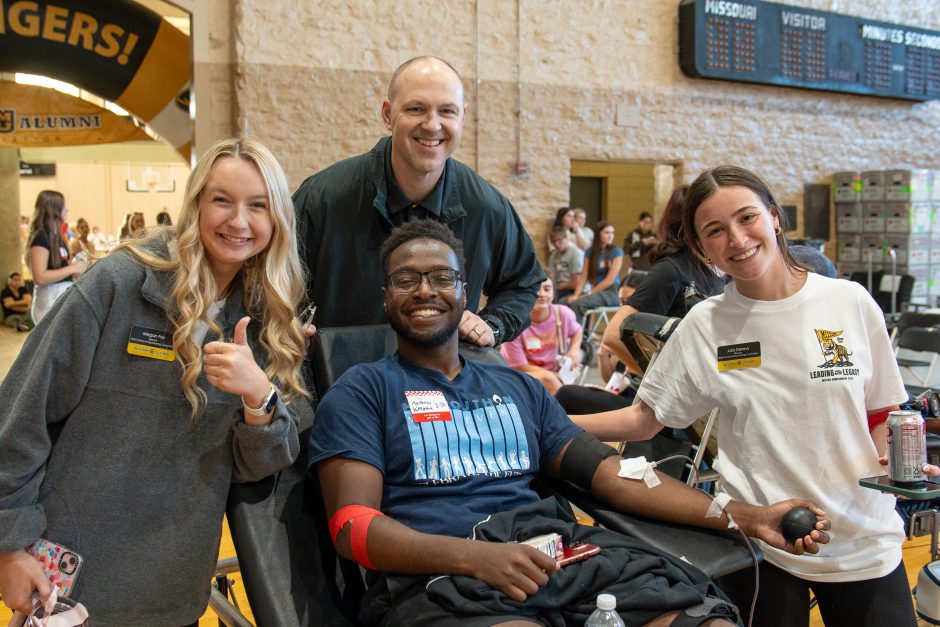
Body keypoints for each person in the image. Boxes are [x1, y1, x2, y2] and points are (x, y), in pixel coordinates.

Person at [309, 218, 829, 627]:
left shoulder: (518, 389)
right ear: (386, 296)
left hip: (561, 557)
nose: (426, 290)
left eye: (442, 277)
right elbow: (352, 528)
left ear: (465, 292)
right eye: (406, 280)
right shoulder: (362, 391)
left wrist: (750, 516)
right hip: (443, 580)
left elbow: (611, 475)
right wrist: (474, 559)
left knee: (707, 619)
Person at [573, 165, 915, 627]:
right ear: (700, 246)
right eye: (715, 230)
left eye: (747, 218)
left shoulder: (849, 301)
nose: (735, 239)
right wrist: (545, 423)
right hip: (760, 545)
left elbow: (882, 411)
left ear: (774, 217)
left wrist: (894, 462)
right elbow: (643, 420)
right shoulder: (704, 325)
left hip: (862, 539)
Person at [0, 138, 309, 626]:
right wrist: (9, 545)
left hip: (173, 590)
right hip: (70, 583)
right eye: (221, 200)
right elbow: (21, 414)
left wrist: (258, 396)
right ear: (195, 205)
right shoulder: (119, 284)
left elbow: (256, 471)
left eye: (258, 205)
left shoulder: (266, 318)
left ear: (277, 221)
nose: (239, 221)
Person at [293, 55, 544, 347]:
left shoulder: (486, 208)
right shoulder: (322, 199)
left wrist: (492, 325)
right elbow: (271, 281)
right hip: (340, 380)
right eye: (416, 108)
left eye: (447, 111)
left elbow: (523, 283)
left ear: (462, 117)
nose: (432, 124)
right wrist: (286, 329)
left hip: (440, 385)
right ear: (387, 114)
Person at [555, 185, 724, 415]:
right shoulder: (672, 271)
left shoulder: (720, 271)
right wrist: (664, 382)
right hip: (670, 404)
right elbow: (614, 334)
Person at [500, 278, 583, 395]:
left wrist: (574, 350)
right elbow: (520, 366)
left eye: (547, 289)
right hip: (524, 376)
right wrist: (552, 377)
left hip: (557, 374)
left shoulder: (563, 314)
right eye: (536, 289)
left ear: (553, 293)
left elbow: (577, 331)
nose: (542, 294)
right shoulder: (514, 323)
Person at [26, 191, 86, 325]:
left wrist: (76, 269)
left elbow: (61, 269)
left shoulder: (57, 237)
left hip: (61, 297)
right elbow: (40, 277)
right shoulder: (41, 237)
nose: (67, 210)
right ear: (53, 209)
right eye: (63, 206)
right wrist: (72, 268)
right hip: (49, 300)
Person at [565, 221, 623, 320]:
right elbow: (583, 278)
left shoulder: (616, 251)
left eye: (612, 233)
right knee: (565, 301)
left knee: (578, 304)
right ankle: (567, 333)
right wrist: (576, 295)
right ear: (598, 234)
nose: (610, 236)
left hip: (612, 292)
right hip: (596, 291)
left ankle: (579, 334)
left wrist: (590, 293)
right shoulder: (589, 252)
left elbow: (609, 280)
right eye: (606, 233)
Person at [547, 225, 583, 302]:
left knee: (561, 302)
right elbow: (551, 277)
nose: (556, 244)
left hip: (575, 291)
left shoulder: (575, 253)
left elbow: (576, 284)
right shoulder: (553, 256)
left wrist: (559, 287)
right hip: (559, 289)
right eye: (553, 241)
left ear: (567, 239)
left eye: (560, 240)